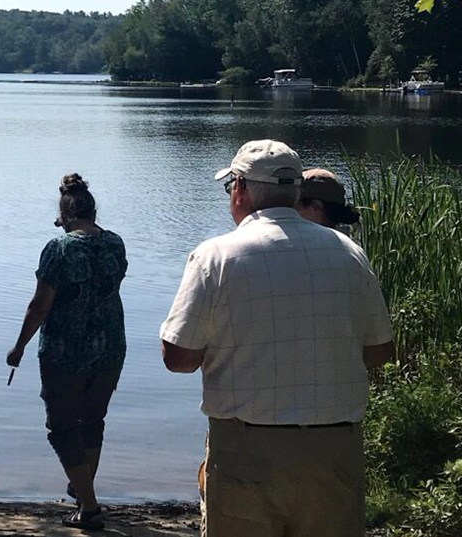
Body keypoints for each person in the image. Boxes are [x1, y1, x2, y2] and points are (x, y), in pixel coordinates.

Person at [159, 140, 395, 537]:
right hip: (334, 449)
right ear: (296, 191)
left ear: (240, 188)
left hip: (246, 448)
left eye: (230, 186)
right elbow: (380, 351)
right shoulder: (349, 253)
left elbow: (178, 359)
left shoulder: (216, 256)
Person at [7, 174, 128, 531]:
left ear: (63, 216)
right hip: (109, 348)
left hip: (65, 352)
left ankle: (89, 508)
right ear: (94, 211)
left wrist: (19, 346)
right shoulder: (115, 244)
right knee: (92, 421)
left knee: (61, 426)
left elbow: (39, 306)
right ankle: (83, 490)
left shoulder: (58, 249)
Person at [295, 168, 361, 230]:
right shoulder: (342, 237)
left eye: (294, 204)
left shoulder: (300, 236)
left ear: (316, 207)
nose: (291, 210)